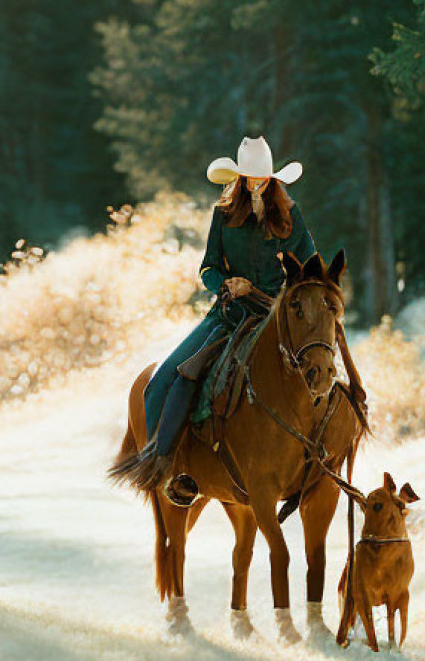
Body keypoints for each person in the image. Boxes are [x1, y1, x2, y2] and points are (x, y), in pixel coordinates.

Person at [119, 135, 318, 506]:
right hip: (230, 314)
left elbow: (311, 264)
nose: (257, 184)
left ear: (273, 179)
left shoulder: (292, 216)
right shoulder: (224, 215)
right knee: (168, 378)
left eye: (263, 178)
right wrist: (226, 282)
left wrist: (296, 289)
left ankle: (318, 463)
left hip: (279, 315)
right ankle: (168, 466)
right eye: (250, 178)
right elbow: (208, 267)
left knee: (321, 366)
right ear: (239, 179)